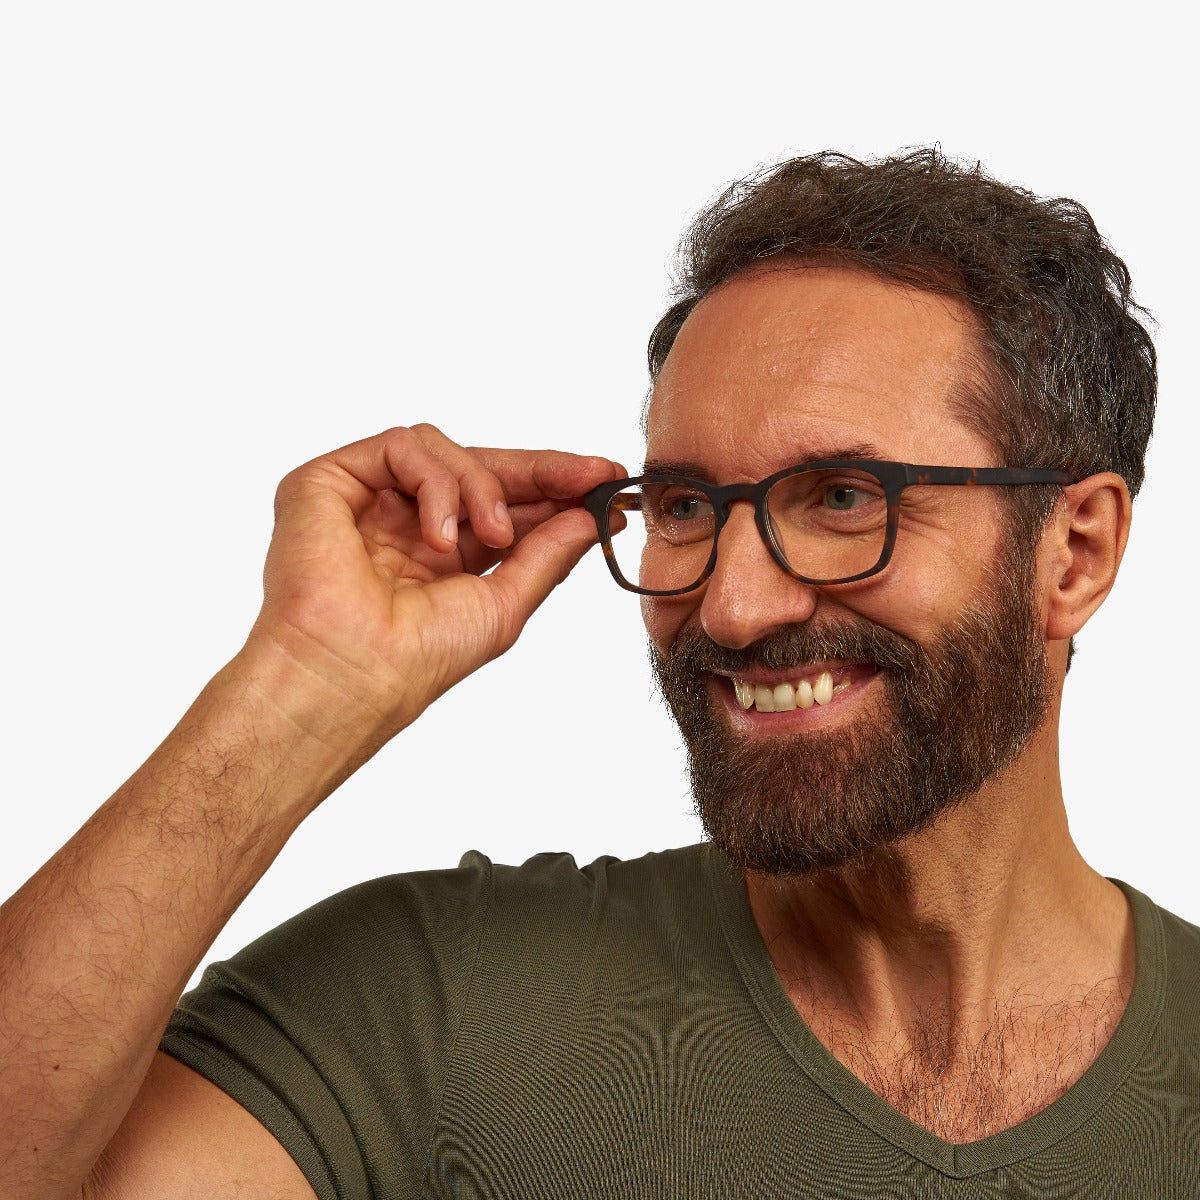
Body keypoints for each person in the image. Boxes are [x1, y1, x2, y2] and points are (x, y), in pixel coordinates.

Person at [3, 149, 1196, 1199]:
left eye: (844, 497)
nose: (732, 607)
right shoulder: (445, 1006)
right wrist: (299, 685)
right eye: (684, 506)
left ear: (1075, 552)